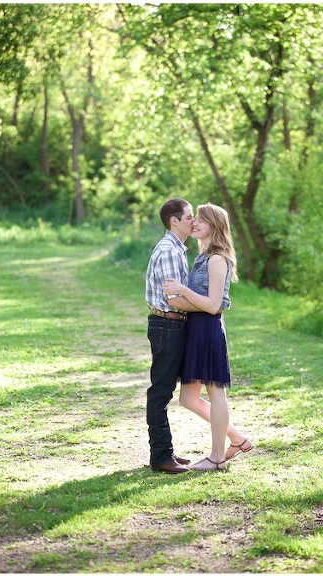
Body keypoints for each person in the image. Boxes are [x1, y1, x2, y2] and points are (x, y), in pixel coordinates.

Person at [162, 203, 253, 471]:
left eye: (200, 220)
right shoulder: (203, 256)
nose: (194, 224)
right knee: (188, 399)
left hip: (208, 328)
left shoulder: (217, 259)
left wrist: (181, 290)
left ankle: (216, 458)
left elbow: (214, 305)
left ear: (214, 226)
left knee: (216, 393)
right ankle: (236, 439)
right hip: (195, 327)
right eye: (194, 219)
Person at [144, 197, 198, 474]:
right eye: (189, 216)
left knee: (164, 390)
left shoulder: (177, 249)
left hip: (172, 324)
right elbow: (175, 299)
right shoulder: (168, 250)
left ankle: (167, 452)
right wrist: (209, 307)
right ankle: (161, 457)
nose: (194, 220)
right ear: (174, 220)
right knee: (160, 391)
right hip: (167, 324)